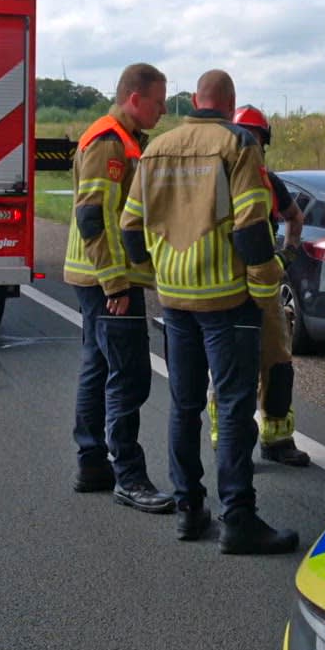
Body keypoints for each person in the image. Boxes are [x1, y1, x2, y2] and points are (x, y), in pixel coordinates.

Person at [120, 70, 299, 555]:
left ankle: (188, 509)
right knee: (236, 406)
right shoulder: (238, 144)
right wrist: (266, 287)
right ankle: (238, 518)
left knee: (184, 406)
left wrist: (157, 272)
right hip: (228, 302)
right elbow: (251, 228)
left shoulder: (156, 148)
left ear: (195, 99)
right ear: (230, 102)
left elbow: (130, 229)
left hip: (176, 300)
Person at [65, 63, 175, 514]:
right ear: (134, 97)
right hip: (109, 280)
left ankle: (93, 462)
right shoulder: (110, 142)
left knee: (98, 366)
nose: (163, 110)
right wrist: (116, 280)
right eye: (157, 101)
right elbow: (95, 215)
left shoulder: (124, 140)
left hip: (97, 278)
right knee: (129, 375)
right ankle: (129, 475)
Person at [226, 105, 310, 467]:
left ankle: (277, 439)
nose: (248, 144)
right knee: (230, 367)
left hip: (266, 289)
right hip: (228, 289)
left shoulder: (269, 181)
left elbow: (295, 218)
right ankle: (229, 443)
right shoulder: (217, 179)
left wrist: (287, 257)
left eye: (254, 138)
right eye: (243, 137)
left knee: (277, 363)